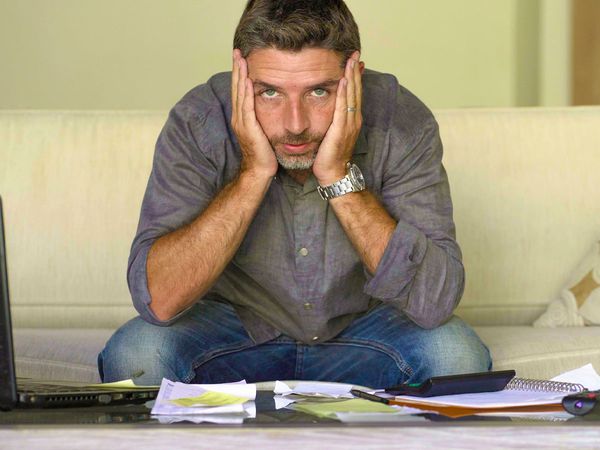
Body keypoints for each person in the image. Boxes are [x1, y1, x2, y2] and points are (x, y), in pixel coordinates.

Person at [99, 0, 491, 388]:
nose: (295, 124)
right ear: (241, 75)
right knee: (135, 355)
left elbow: (435, 302)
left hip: (365, 332)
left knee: (456, 356)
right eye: (269, 93)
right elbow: (159, 301)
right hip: (233, 332)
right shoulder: (199, 121)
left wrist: (338, 176)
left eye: (319, 92)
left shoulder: (401, 121)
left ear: (354, 75)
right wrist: (253, 172)